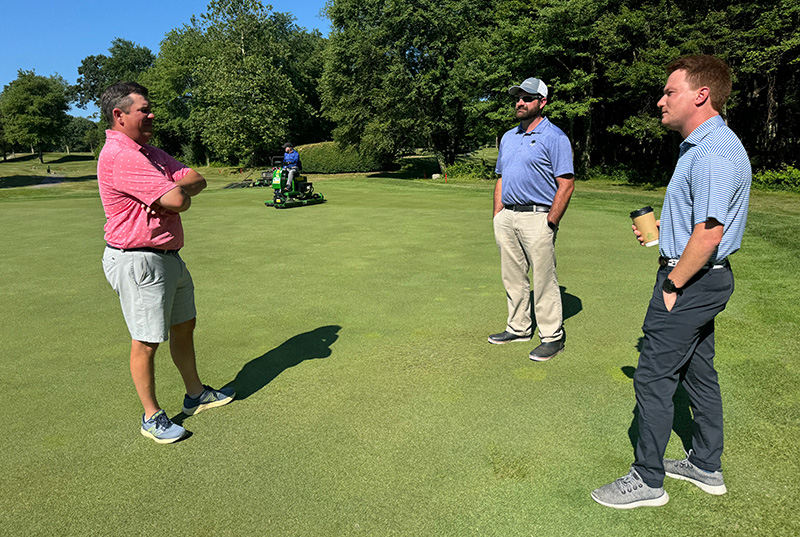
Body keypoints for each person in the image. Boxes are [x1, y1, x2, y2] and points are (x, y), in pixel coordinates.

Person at [591, 55, 751, 508]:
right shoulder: (701, 147)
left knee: (654, 377)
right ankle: (705, 465)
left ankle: (647, 480)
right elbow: (702, 221)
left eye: (669, 91)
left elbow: (711, 233)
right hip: (703, 277)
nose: (660, 100)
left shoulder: (715, 152)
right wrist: (668, 229)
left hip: (692, 281)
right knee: (699, 374)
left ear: (701, 95)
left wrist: (673, 283)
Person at [98, 82, 235, 444]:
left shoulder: (150, 153)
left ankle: (195, 395)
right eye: (144, 109)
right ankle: (151, 417)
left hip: (168, 255)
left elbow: (195, 180)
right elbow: (179, 199)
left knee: (184, 324)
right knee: (146, 340)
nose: (151, 114)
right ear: (119, 115)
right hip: (139, 260)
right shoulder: (123, 155)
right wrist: (170, 193)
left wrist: (169, 193)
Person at [488, 77, 575, 361]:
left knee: (544, 279)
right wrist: (497, 214)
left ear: (542, 102)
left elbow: (566, 184)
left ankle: (552, 336)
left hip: (538, 217)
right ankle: (518, 327)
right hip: (508, 216)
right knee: (512, 277)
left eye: (527, 98)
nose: (520, 103)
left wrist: (551, 221)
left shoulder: (555, 137)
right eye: (518, 98)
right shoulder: (509, 137)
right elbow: (501, 178)